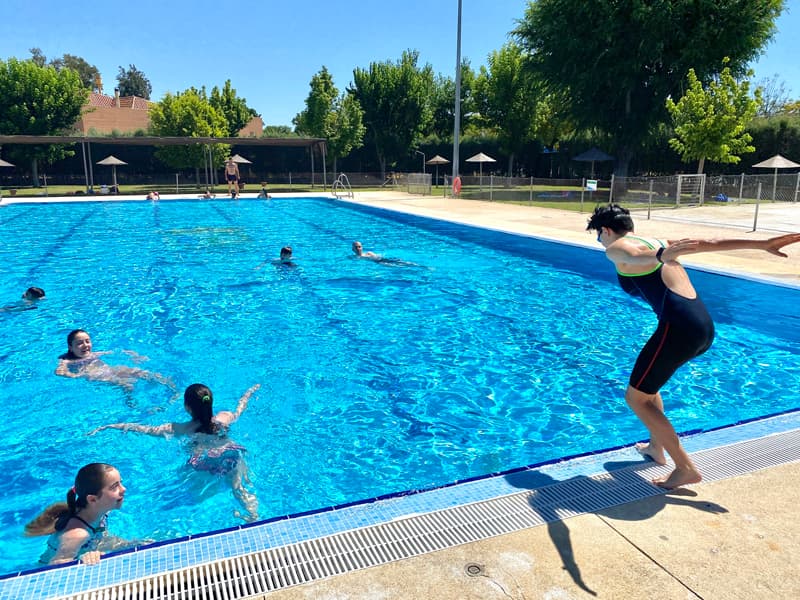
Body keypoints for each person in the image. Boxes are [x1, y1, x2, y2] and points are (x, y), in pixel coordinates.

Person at [587, 203, 800, 489]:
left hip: (679, 330)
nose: (600, 241)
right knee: (648, 389)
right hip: (702, 328)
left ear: (606, 230)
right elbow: (709, 243)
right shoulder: (658, 241)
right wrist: (761, 244)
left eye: (598, 235)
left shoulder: (618, 248)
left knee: (636, 399)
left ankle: (685, 468)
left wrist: (660, 256)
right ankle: (656, 447)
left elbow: (631, 256)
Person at [90, 383, 261, 522]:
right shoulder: (224, 417)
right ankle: (253, 516)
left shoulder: (179, 428)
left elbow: (145, 429)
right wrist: (248, 394)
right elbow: (240, 409)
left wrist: (113, 425)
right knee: (238, 487)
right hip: (231, 454)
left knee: (186, 482)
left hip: (204, 463)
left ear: (187, 407)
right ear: (210, 402)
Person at [25, 463, 134, 565]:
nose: (124, 489)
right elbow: (54, 567)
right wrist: (82, 559)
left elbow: (98, 537)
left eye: (121, 483)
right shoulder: (77, 535)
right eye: (114, 487)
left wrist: (130, 545)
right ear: (92, 499)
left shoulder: (101, 511)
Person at [55, 329, 175, 393]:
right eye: (80, 343)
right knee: (127, 385)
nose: (85, 345)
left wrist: (134, 355)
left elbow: (116, 351)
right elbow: (59, 372)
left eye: (87, 341)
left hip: (110, 370)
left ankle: (172, 388)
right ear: (70, 347)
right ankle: (133, 406)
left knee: (141, 372)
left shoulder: (93, 354)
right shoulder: (67, 360)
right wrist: (79, 375)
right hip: (96, 375)